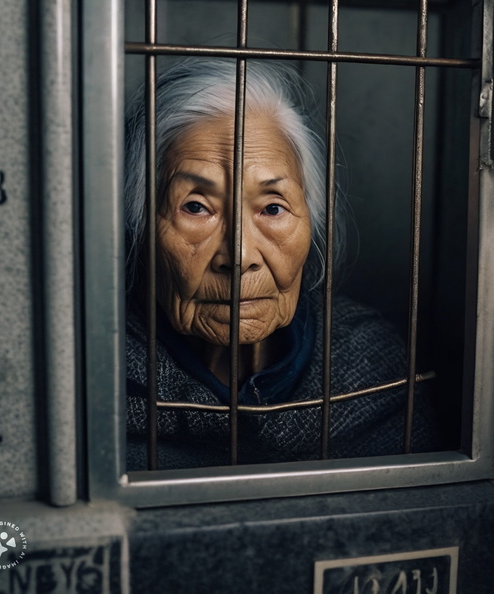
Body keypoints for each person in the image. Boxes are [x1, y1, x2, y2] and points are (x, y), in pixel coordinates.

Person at [124, 58, 438, 470]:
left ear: (311, 221)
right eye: (196, 207)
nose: (239, 258)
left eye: (273, 208)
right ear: (141, 227)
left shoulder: (371, 369)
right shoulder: (95, 377)